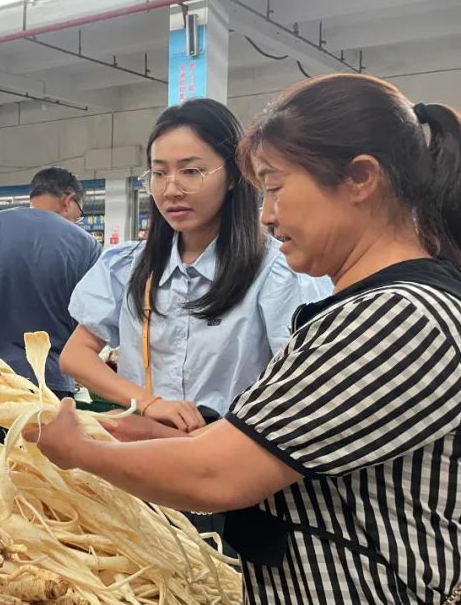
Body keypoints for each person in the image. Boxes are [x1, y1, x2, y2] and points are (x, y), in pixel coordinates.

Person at [30, 73, 461, 605]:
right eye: (159, 172)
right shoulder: (367, 306)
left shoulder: (398, 316)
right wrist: (155, 430)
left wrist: (80, 452)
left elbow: (218, 476)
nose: (268, 214)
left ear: (362, 180)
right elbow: (293, 439)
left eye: (279, 188)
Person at [62, 99, 330, 440]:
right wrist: (148, 403)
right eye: (159, 173)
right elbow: (75, 355)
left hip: (228, 469)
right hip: (139, 464)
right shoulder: (129, 266)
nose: (171, 189)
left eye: (191, 172)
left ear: (233, 175)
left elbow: (300, 387)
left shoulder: (275, 271)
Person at [0, 167, 100, 398]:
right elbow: (86, 320)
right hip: (50, 381)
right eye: (78, 213)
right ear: (69, 200)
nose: (76, 220)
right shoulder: (87, 245)